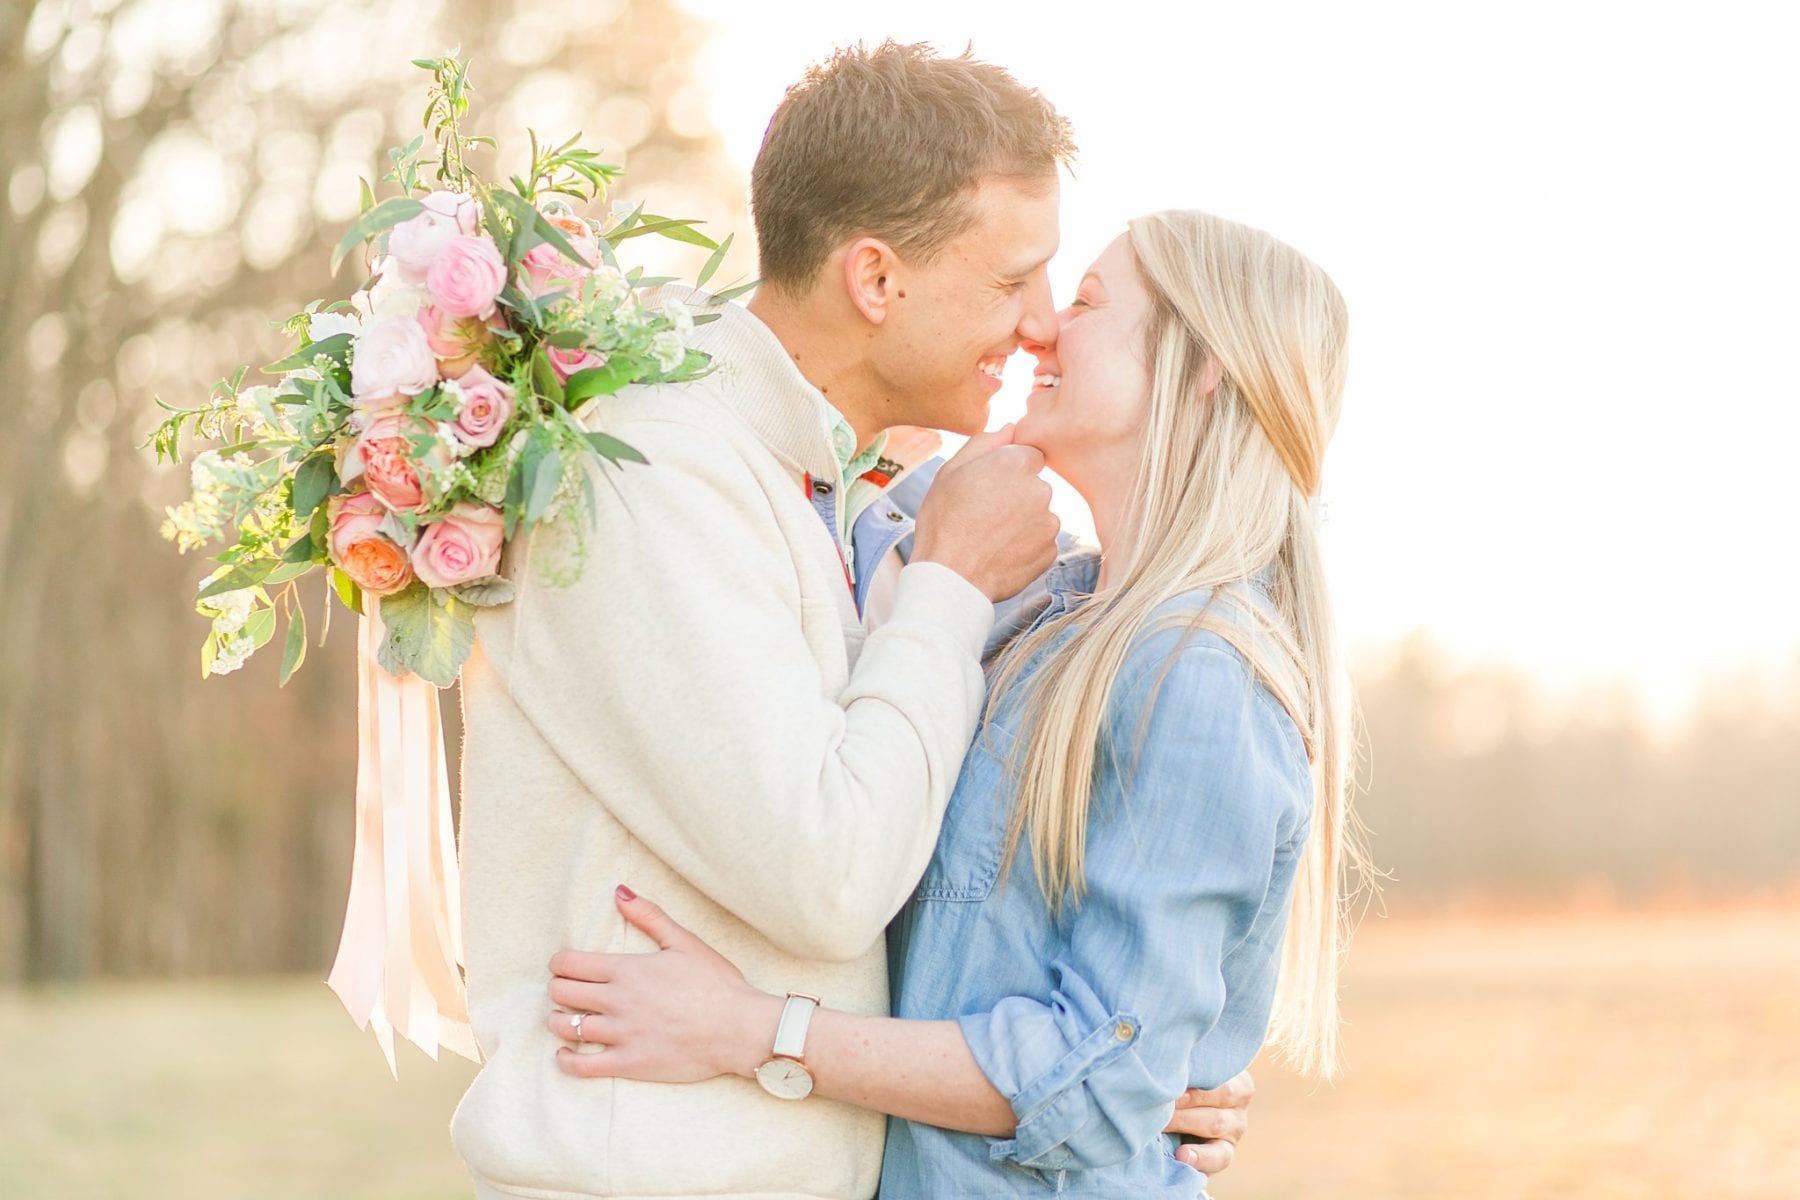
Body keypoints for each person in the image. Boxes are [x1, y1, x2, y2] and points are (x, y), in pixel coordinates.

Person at [450, 43, 1248, 1200]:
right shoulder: (650, 473)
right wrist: (952, 580)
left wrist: (1135, 1060)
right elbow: (828, 870)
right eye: (1014, 281)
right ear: (877, 282)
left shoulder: (823, 481)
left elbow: (955, 861)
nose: (1037, 329)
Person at [544, 209, 1357, 1197]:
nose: (1045, 328)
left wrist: (750, 1030)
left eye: (1089, 303)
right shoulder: (1046, 612)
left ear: (1207, 369)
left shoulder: (1196, 674)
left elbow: (1100, 1080)